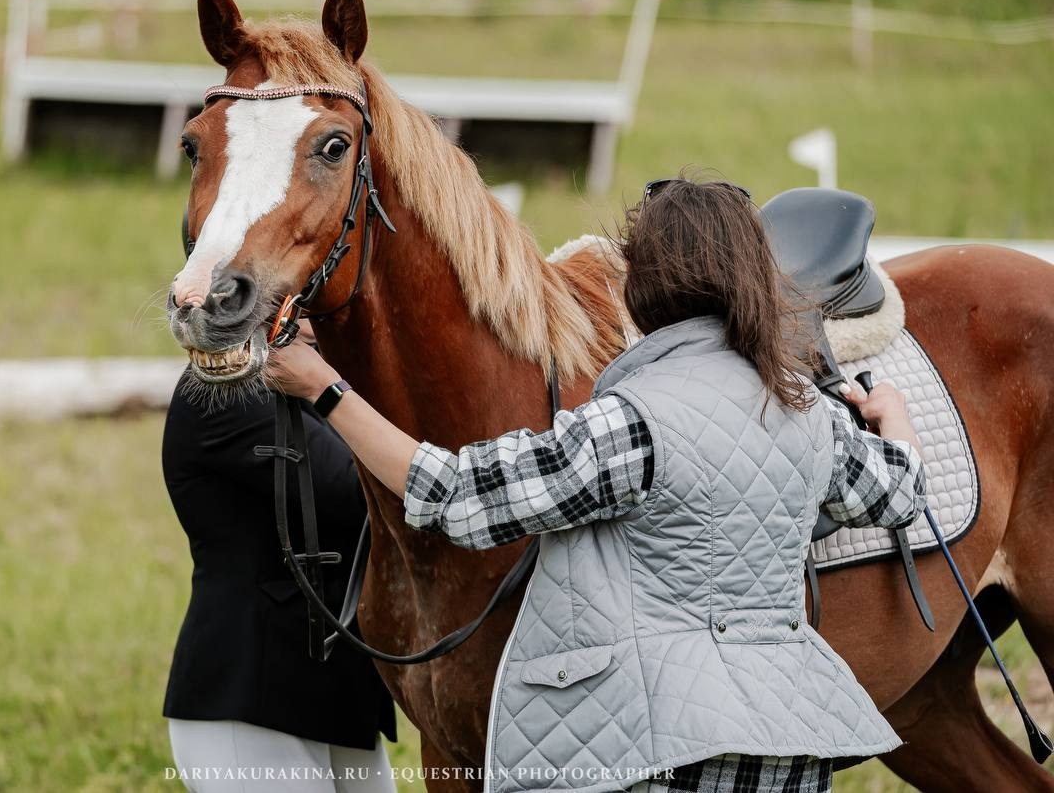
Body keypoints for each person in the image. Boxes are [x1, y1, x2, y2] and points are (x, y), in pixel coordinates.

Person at [266, 177, 926, 793]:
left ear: (642, 283)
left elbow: (453, 495)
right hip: (792, 741)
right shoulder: (808, 415)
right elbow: (900, 493)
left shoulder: (629, 424)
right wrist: (893, 420)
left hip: (666, 746)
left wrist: (324, 387)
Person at [162, 321, 397, 793]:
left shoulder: (318, 374)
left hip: (338, 699)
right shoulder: (225, 388)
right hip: (250, 701)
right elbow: (359, 491)